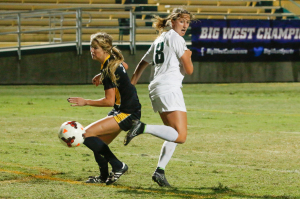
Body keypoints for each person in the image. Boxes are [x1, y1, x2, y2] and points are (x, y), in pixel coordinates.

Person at [123, 8, 194, 187]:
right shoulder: (176, 39)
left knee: (172, 132)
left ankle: (159, 171)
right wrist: (188, 55)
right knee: (181, 136)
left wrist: (131, 85)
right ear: (172, 22)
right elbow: (189, 70)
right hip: (169, 88)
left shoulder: (160, 38)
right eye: (182, 21)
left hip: (157, 88)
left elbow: (142, 63)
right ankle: (141, 128)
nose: (185, 25)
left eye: (187, 22)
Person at [67, 32, 141, 185]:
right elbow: (124, 66)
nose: (92, 51)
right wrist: (101, 74)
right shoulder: (111, 62)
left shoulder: (109, 68)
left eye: (96, 48)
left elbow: (109, 101)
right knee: (98, 142)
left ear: (105, 50)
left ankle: (119, 166)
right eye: (91, 47)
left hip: (128, 113)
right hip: (122, 109)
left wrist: (85, 101)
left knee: (85, 135)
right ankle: (102, 177)